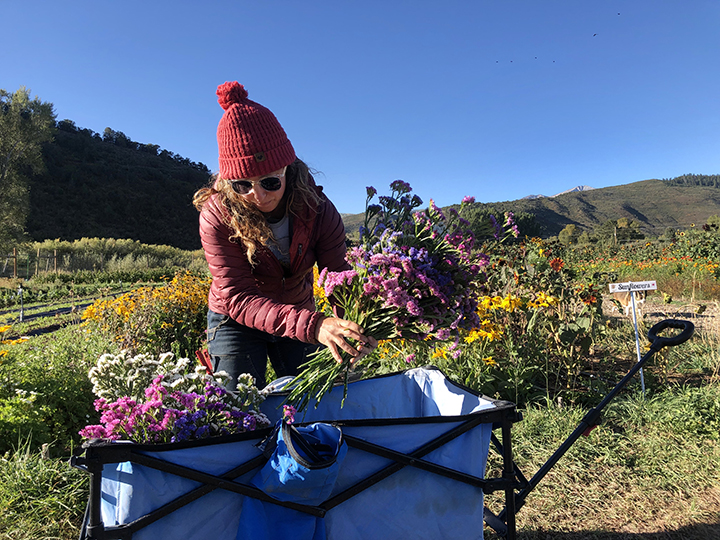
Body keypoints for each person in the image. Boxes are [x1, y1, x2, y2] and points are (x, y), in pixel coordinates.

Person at [193, 81, 376, 390]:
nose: (258, 195)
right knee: (237, 409)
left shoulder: (318, 210)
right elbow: (237, 297)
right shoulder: (216, 215)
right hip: (235, 319)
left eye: (269, 182)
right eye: (241, 185)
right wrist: (315, 325)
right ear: (227, 182)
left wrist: (353, 326)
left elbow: (339, 278)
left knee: (319, 397)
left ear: (288, 170)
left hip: (298, 311)